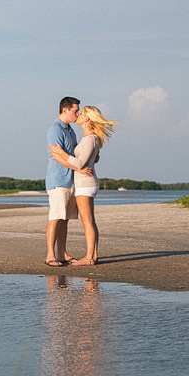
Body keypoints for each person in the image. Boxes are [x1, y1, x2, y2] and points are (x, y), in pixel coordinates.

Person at [48, 105, 118, 265]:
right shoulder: (89, 139)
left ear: (87, 119)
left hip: (85, 184)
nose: (79, 114)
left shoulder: (89, 139)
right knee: (90, 221)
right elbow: (86, 158)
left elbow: (79, 163)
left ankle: (88, 257)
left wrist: (61, 153)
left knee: (87, 221)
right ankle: (93, 255)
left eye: (82, 113)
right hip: (86, 183)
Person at [45, 96, 85, 267]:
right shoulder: (55, 129)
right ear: (65, 110)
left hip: (70, 181)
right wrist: (78, 168)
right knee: (55, 217)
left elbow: (74, 154)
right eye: (76, 110)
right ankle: (50, 255)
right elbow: (56, 155)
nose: (78, 114)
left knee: (65, 218)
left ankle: (62, 253)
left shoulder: (71, 130)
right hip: (58, 180)